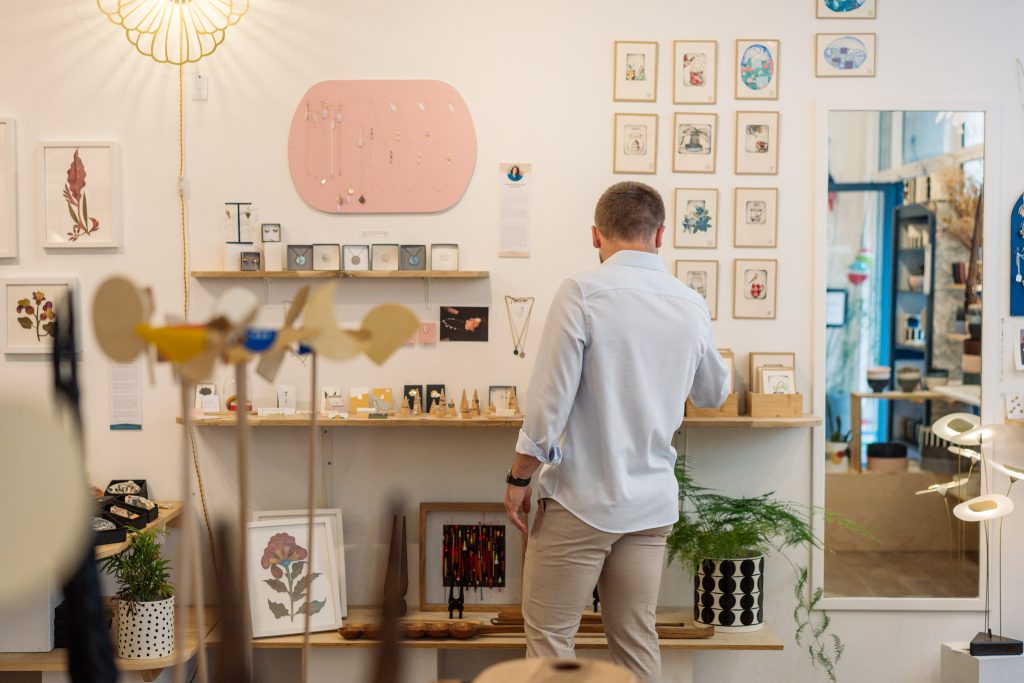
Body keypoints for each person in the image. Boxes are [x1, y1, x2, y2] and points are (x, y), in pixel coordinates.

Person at [503, 181, 729, 682]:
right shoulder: (690, 303)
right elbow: (714, 392)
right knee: (634, 640)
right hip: (649, 506)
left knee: (549, 642)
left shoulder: (582, 292)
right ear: (661, 235)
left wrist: (520, 477)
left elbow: (548, 402)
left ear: (595, 235)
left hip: (581, 500)